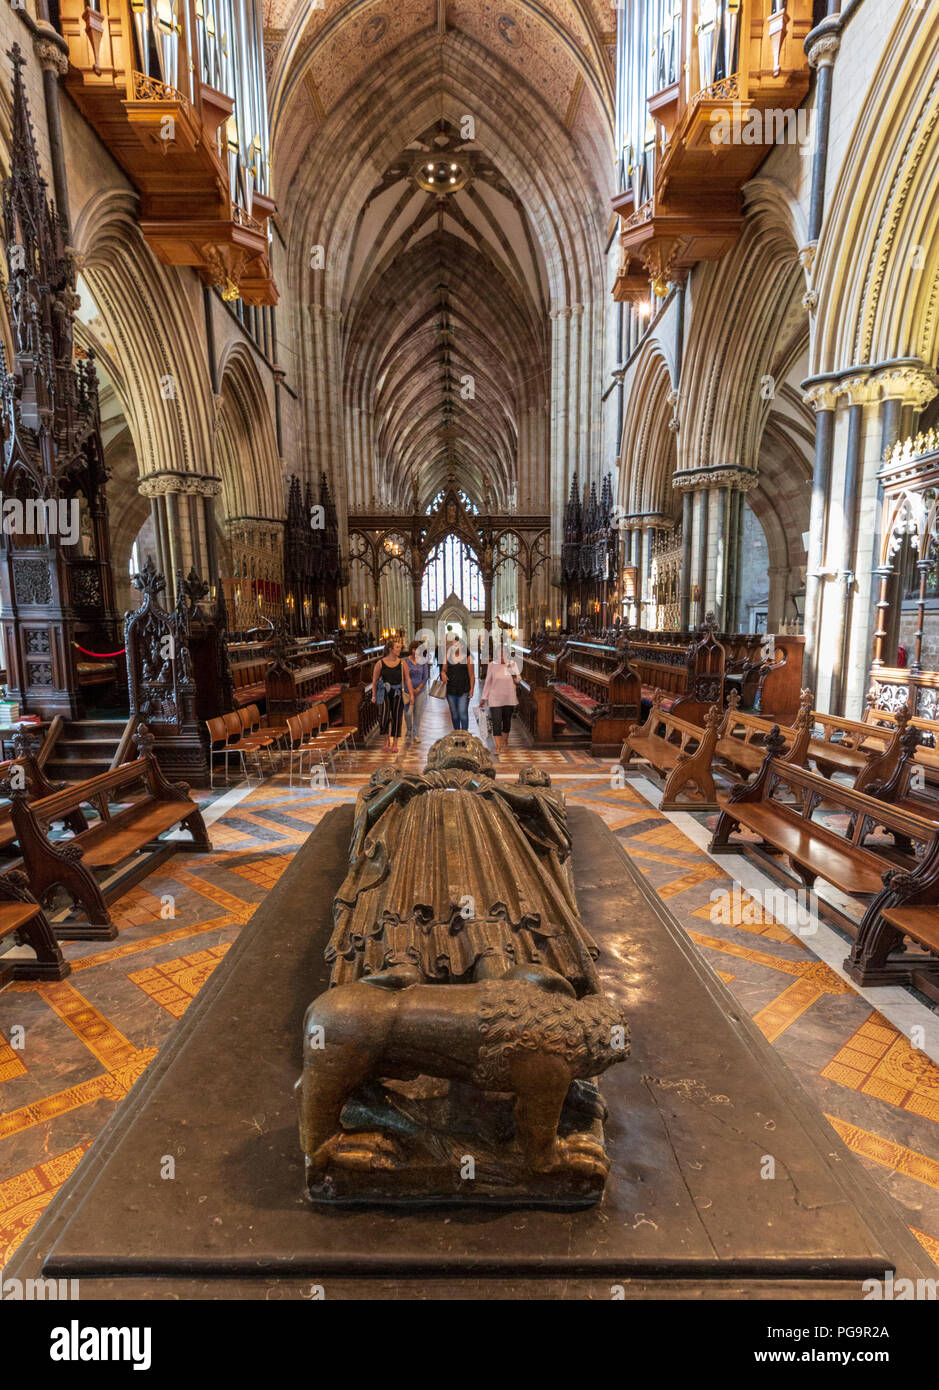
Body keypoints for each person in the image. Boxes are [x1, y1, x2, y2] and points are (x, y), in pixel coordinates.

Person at [371, 638, 413, 755]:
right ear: (391, 649)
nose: (400, 649)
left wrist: (411, 694)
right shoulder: (380, 663)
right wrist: (374, 695)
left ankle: (394, 742)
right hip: (384, 692)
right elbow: (374, 681)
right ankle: (386, 739)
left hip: (398, 693)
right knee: (383, 717)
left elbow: (408, 679)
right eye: (397, 647)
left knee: (397, 717)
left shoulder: (402, 663)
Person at [479, 643, 520, 755]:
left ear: (507, 654)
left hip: (509, 698)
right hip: (495, 698)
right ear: (496, 653)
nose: (501, 655)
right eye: (499, 653)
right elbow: (488, 682)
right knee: (496, 722)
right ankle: (498, 747)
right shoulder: (492, 665)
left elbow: (518, 680)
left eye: (503, 653)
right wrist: (483, 698)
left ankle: (505, 739)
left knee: (506, 722)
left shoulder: (512, 664)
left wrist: (511, 670)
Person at [440, 635, 474, 731]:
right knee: (454, 714)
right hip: (450, 689)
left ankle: (465, 736)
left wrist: (472, 689)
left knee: (462, 712)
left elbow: (471, 675)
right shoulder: (447, 656)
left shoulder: (468, 658)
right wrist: (443, 674)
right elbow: (443, 670)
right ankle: (456, 734)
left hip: (464, 689)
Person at [403, 638, 428, 746]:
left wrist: (418, 689)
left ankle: (415, 733)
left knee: (417, 713)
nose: (415, 651)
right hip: (408, 691)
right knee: (407, 713)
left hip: (420, 691)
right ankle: (408, 729)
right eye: (413, 649)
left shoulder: (423, 661)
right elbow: (404, 676)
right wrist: (409, 689)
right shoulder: (405, 661)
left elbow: (425, 677)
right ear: (411, 650)